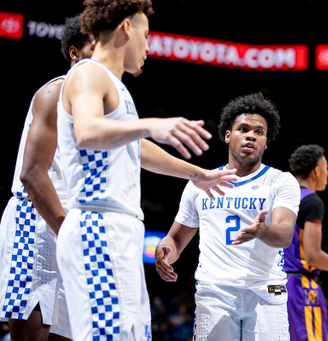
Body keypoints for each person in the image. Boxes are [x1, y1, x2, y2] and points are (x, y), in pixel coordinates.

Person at [54, 1, 237, 340]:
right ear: (126, 28)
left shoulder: (116, 86)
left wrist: (196, 173)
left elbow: (135, 148)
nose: (149, 47)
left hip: (119, 228)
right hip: (97, 224)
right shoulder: (88, 72)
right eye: (146, 35)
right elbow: (88, 131)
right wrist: (151, 125)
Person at [155, 93, 301, 341]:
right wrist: (165, 249)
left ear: (266, 142)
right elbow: (176, 240)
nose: (251, 135)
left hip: (265, 291)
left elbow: (285, 235)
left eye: (259, 132)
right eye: (243, 129)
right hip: (215, 293)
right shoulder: (200, 182)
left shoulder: (281, 181)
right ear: (227, 135)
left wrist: (263, 231)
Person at [0, 15, 94, 341]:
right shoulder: (56, 94)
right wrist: (69, 231)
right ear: (75, 53)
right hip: (35, 219)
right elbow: (32, 174)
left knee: (69, 332)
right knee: (32, 333)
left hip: (71, 222)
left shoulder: (102, 110)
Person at [284, 144, 328, 341]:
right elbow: (313, 256)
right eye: (326, 169)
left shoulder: (281, 198)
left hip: (275, 285)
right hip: (300, 287)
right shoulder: (312, 201)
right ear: (316, 171)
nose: (327, 173)